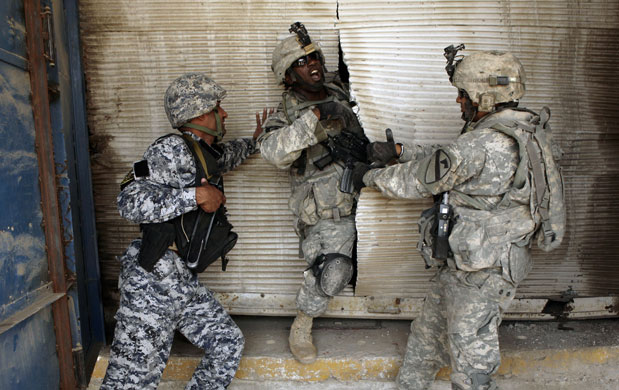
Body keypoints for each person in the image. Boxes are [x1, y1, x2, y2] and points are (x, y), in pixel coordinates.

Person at [353, 47, 565, 390]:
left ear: (483, 95)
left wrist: (367, 177)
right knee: (429, 331)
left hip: (482, 270)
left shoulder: (483, 144)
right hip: (473, 260)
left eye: (462, 94)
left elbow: (420, 179)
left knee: (471, 363)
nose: (458, 102)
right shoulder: (520, 128)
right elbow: (451, 162)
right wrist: (400, 152)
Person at [101, 72, 264, 390]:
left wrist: (258, 140)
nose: (225, 113)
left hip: (178, 280)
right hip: (151, 281)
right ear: (198, 112)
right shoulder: (170, 150)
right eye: (218, 107)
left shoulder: (203, 153)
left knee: (226, 343)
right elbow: (128, 200)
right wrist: (195, 196)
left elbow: (227, 157)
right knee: (131, 382)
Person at [259, 22, 369, 364]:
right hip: (328, 211)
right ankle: (302, 322)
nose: (313, 64)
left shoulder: (343, 90)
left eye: (315, 56)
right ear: (288, 76)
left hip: (371, 193)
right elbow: (274, 152)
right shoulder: (286, 114)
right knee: (332, 269)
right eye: (302, 63)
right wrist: (317, 117)